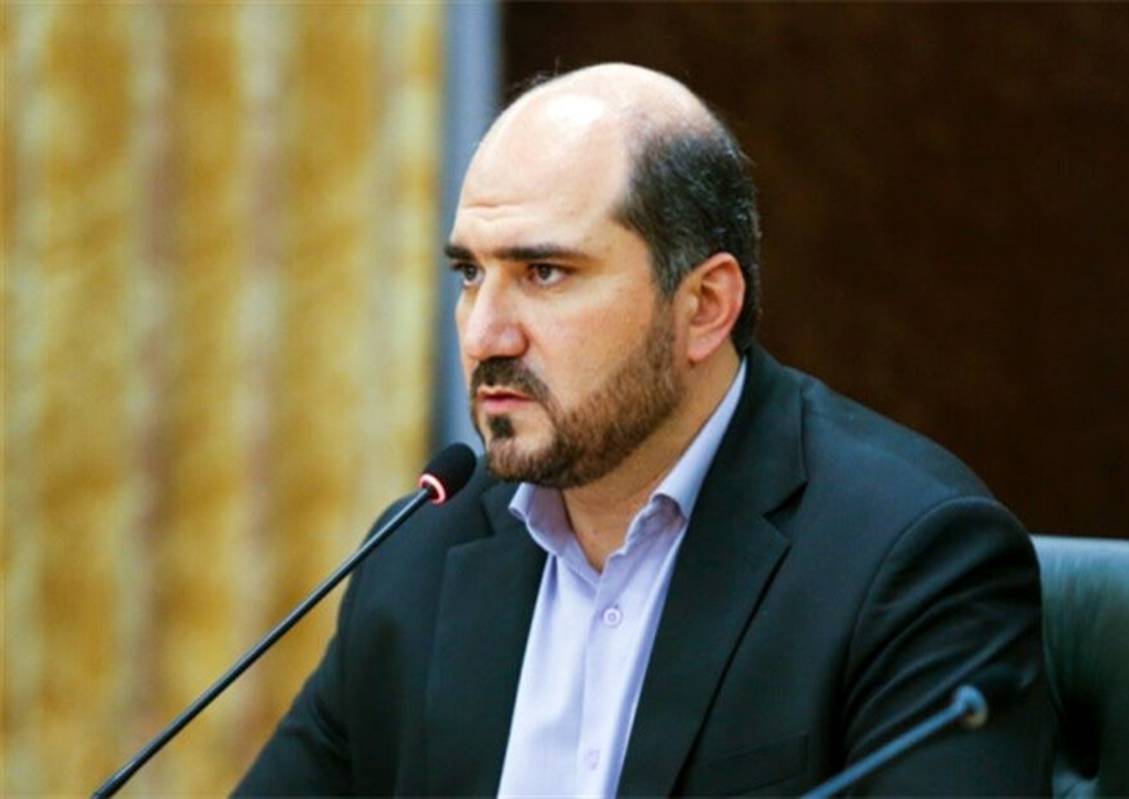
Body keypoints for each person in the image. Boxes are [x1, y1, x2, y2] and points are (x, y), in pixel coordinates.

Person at [236, 63, 1053, 796]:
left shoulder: (910, 560)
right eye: (471, 273)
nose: (485, 333)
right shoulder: (419, 553)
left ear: (703, 307)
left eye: (543, 272)